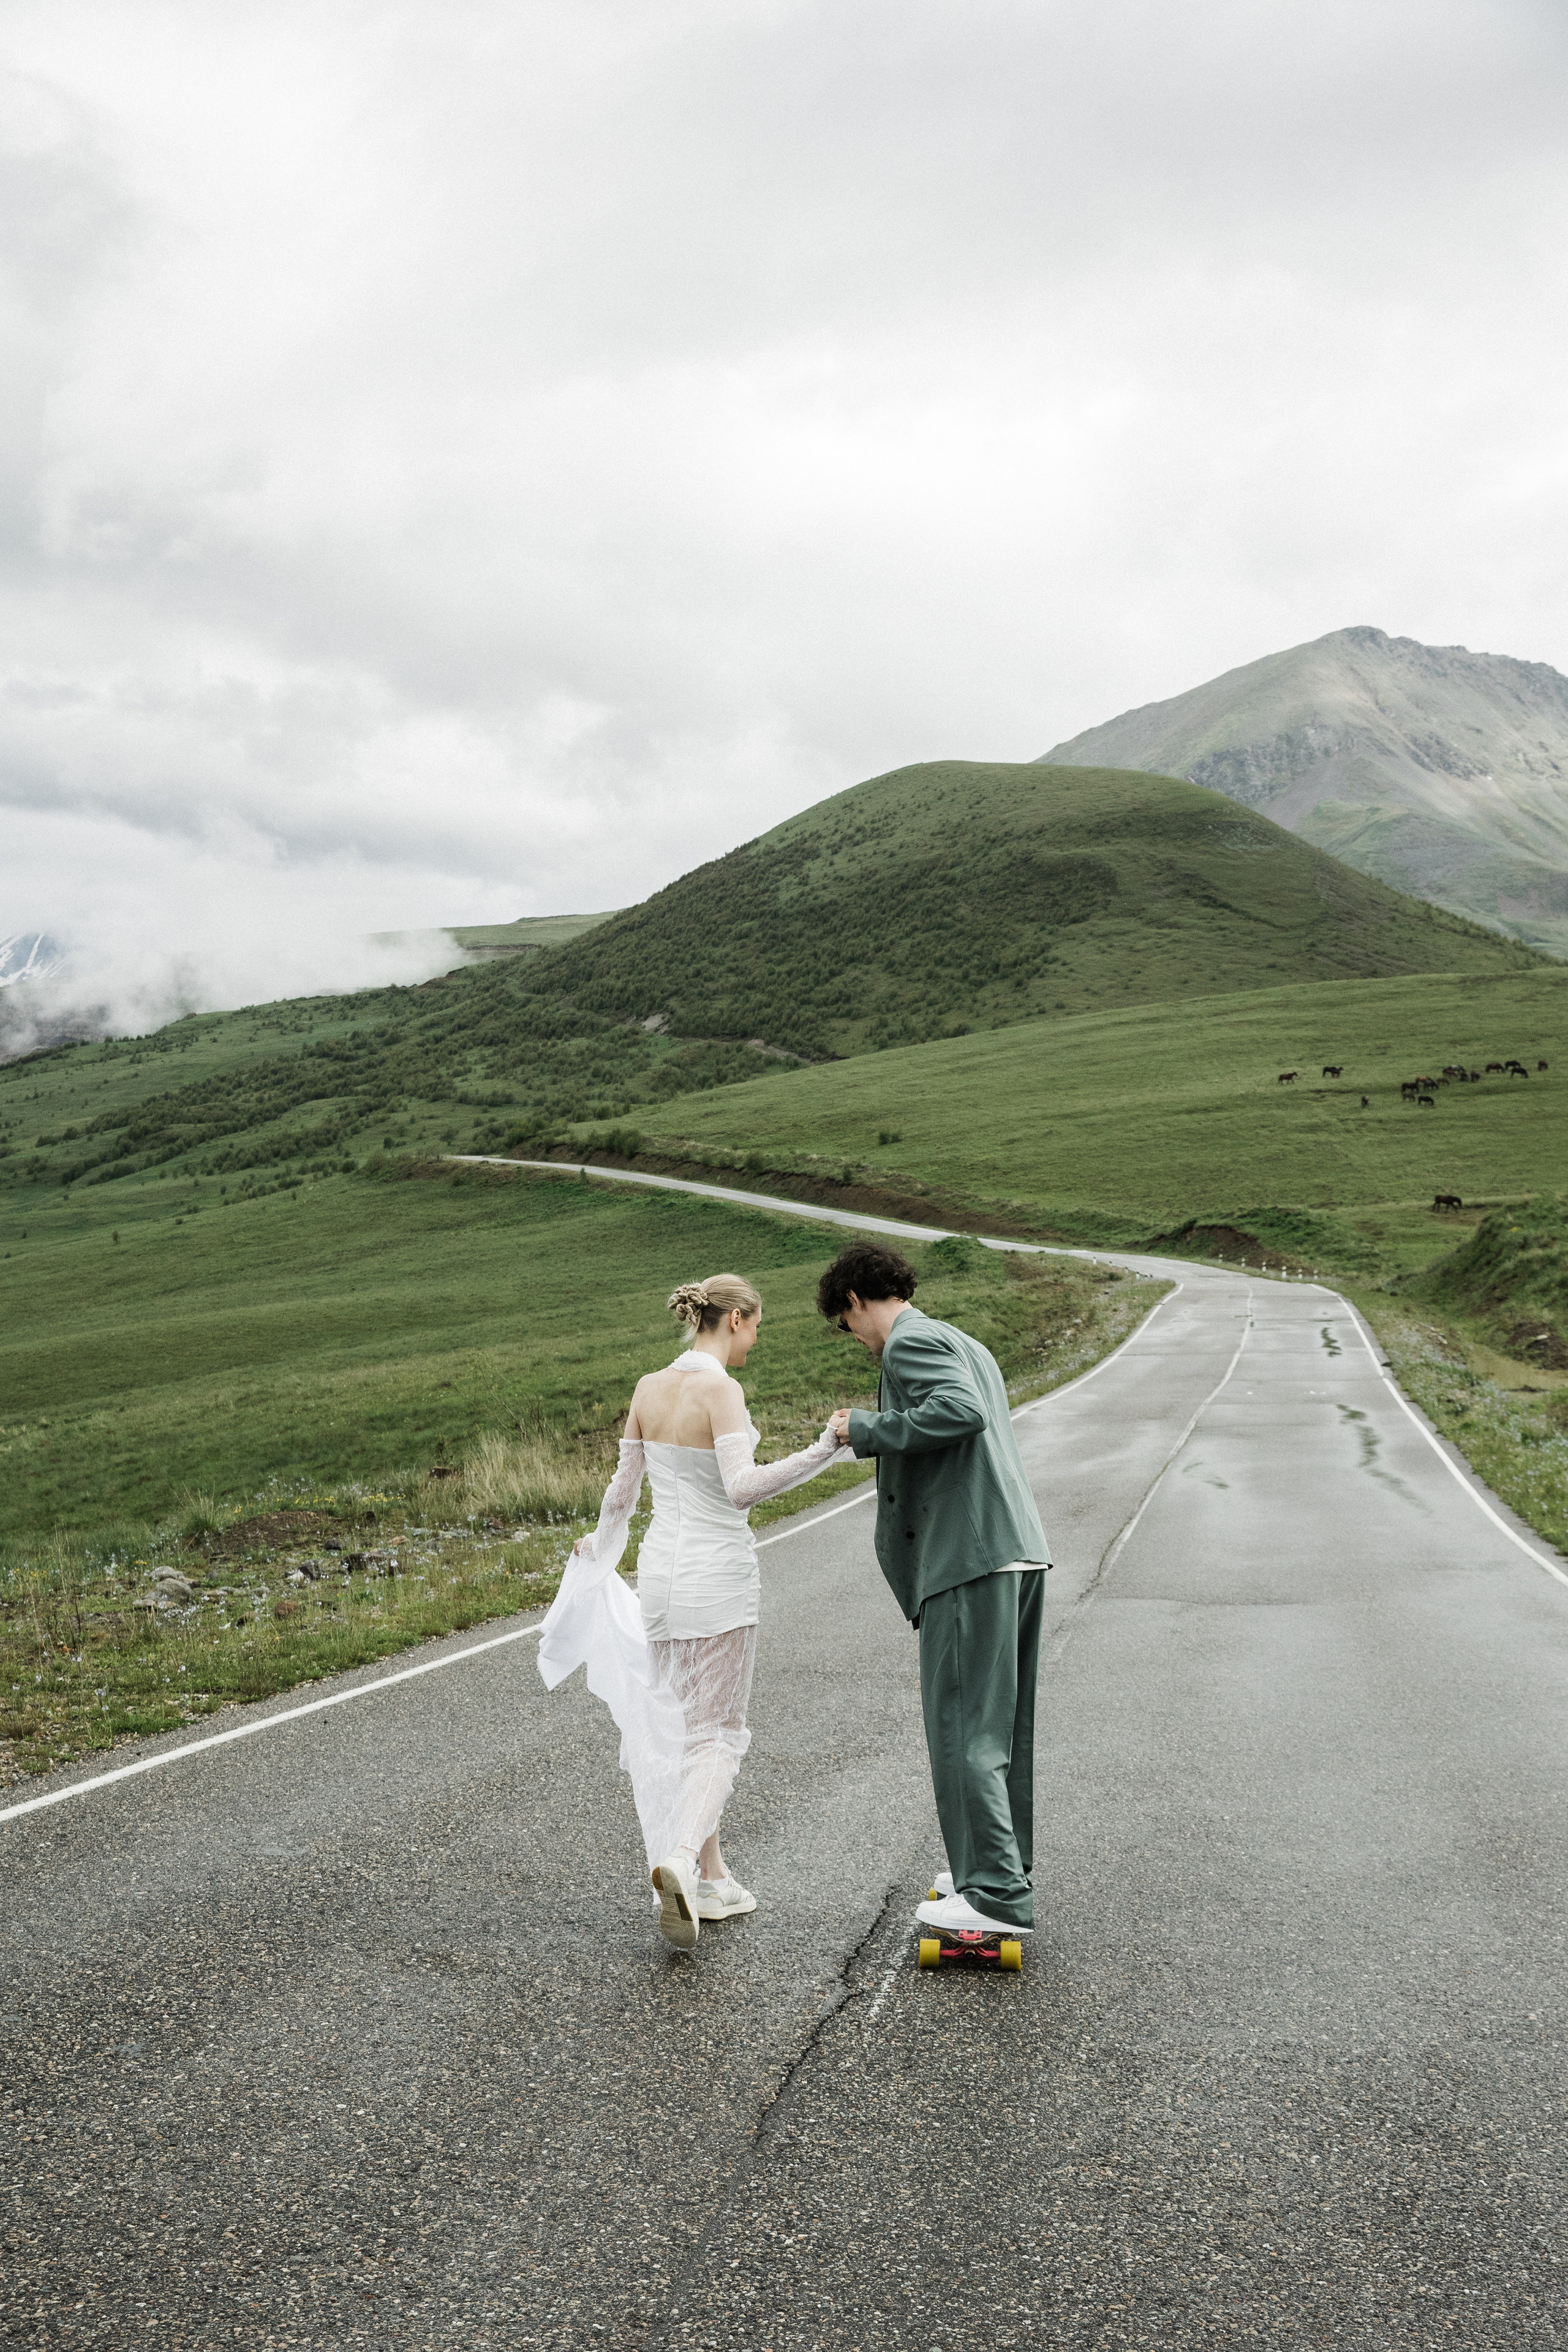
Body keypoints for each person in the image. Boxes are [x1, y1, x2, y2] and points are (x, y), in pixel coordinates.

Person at [538, 1272, 851, 1950]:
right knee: (719, 1734)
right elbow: (742, 1488)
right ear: (734, 1318)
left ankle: (711, 1878)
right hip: (717, 1577)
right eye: (757, 1325)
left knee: (686, 1728)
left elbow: (621, 1494)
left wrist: (601, 1549)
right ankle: (680, 1858)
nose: (756, 1340)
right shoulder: (721, 1389)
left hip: (659, 1574)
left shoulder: (649, 1387)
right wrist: (826, 1449)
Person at [822, 1239, 1050, 1941]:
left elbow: (958, 1413)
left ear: (857, 1301)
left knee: (962, 1729)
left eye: (845, 1323)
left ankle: (995, 1900)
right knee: (999, 1729)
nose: (853, 1339)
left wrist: (861, 1427)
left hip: (968, 1558)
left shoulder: (907, 1344)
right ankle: (993, 1868)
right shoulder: (961, 1340)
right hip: (1014, 1552)